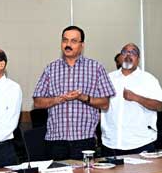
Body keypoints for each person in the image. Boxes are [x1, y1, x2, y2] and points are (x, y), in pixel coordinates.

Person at [32, 25, 115, 160]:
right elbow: (37, 102)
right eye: (65, 40)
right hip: (55, 141)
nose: (68, 45)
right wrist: (60, 99)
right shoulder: (51, 69)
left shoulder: (96, 68)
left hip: (84, 140)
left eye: (73, 41)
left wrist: (82, 97)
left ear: (82, 45)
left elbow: (105, 104)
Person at [101, 43, 162, 156]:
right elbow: (100, 103)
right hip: (111, 141)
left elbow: (159, 106)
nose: (128, 55)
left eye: (133, 53)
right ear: (120, 57)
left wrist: (136, 98)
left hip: (140, 142)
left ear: (138, 59)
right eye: (125, 52)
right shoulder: (108, 78)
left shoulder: (148, 79)